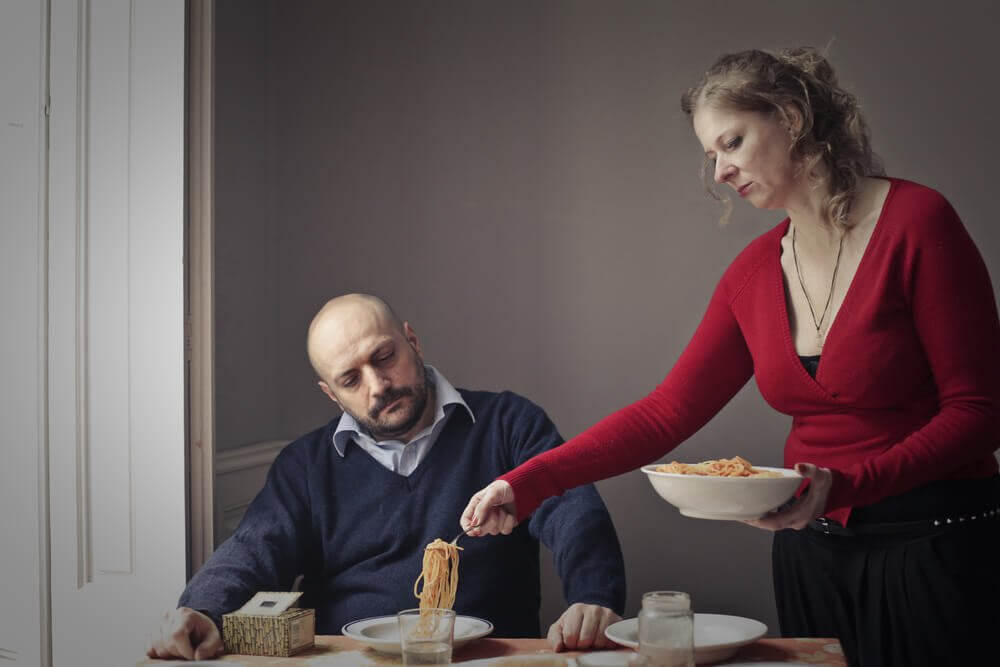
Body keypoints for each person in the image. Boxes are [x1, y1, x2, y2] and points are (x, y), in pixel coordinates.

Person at [461, 47, 1000, 667]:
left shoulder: (917, 222)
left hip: (934, 546)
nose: (719, 171)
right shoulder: (753, 274)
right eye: (711, 154)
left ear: (793, 117)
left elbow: (978, 412)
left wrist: (849, 486)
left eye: (732, 142)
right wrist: (528, 482)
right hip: (811, 554)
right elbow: (667, 413)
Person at [146, 293, 626, 661]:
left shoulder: (508, 424)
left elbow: (573, 509)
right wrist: (200, 608)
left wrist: (593, 599)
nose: (378, 385)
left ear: (411, 341)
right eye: (350, 379)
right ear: (331, 394)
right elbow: (253, 548)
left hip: (485, 659)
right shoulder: (305, 466)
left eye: (383, 357)